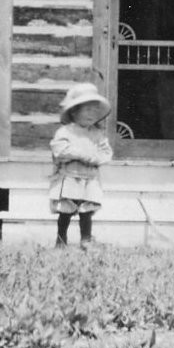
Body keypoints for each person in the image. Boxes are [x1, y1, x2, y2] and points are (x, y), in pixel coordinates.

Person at [49, 82, 113, 248]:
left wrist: (95, 158)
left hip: (89, 179)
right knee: (66, 211)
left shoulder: (97, 134)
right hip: (70, 177)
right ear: (74, 111)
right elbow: (59, 150)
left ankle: (86, 240)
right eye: (87, 109)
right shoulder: (66, 132)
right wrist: (80, 154)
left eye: (94, 110)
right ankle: (61, 240)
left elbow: (106, 153)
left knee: (86, 211)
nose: (91, 114)